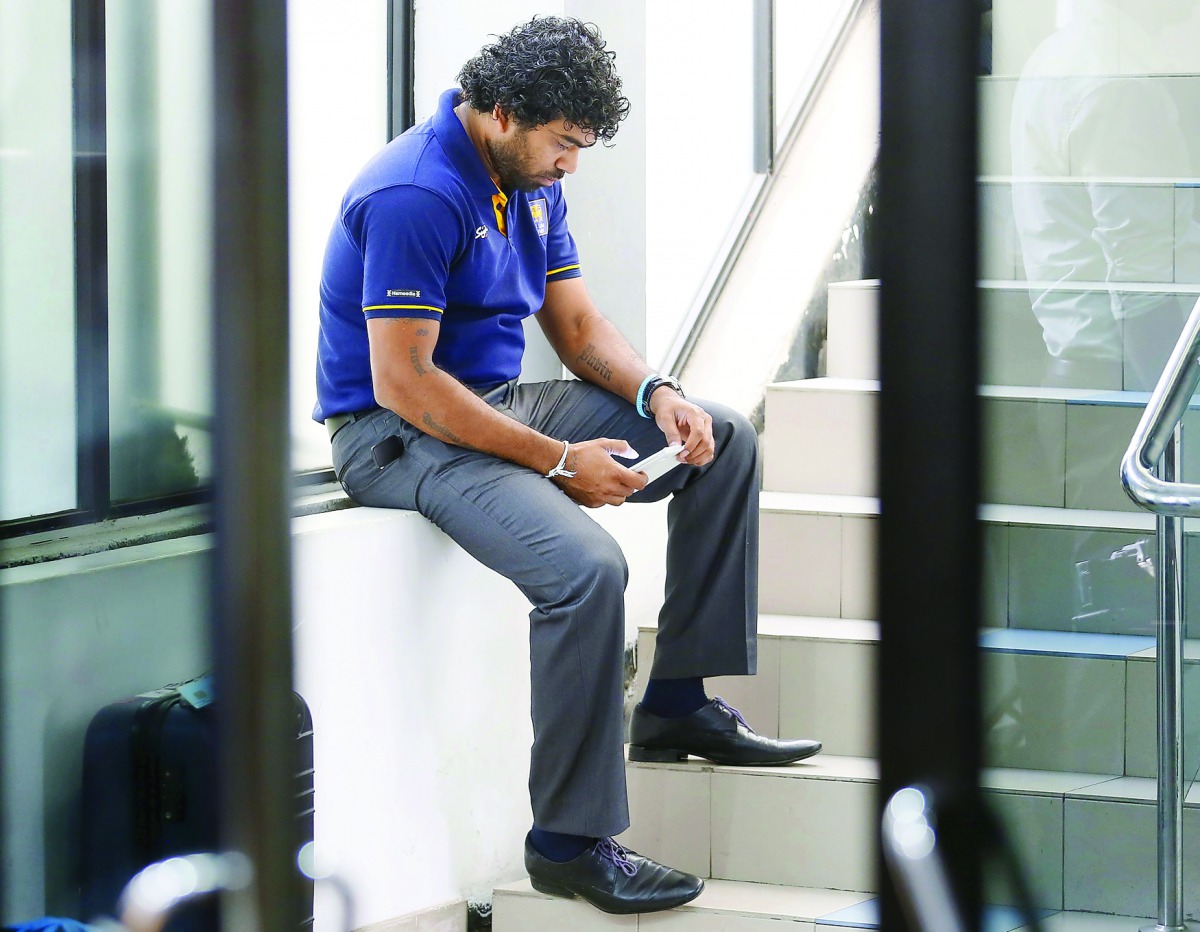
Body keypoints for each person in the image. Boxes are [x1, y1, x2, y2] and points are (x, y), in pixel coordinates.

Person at [313, 15, 821, 916]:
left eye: (583, 147)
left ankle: (675, 701)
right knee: (587, 570)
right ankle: (568, 843)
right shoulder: (417, 193)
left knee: (724, 437)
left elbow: (579, 331)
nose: (571, 164)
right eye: (563, 144)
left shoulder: (531, 182)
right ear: (504, 113)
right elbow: (405, 385)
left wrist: (658, 391)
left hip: (495, 405)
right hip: (394, 437)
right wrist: (557, 465)